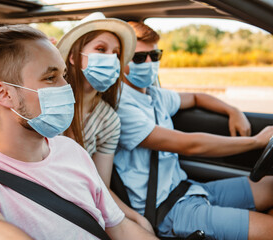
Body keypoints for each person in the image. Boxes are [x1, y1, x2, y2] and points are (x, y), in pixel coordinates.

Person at [0, 22, 158, 240]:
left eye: (64, 76)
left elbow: (119, 227)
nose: (66, 88)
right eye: (50, 78)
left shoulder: (71, 150)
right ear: (4, 94)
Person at [113, 21, 273, 239]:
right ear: (120, 62)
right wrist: (257, 141)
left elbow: (197, 97)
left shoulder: (154, 95)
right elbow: (189, 144)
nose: (149, 63)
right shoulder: (122, 106)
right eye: (140, 58)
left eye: (155, 55)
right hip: (168, 210)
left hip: (188, 189)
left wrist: (233, 110)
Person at [56, 12, 154, 233]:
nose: (110, 58)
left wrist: (133, 217)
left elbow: (100, 185)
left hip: (82, 207)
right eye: (101, 50)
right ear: (73, 56)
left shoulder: (108, 119)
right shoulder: (49, 104)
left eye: (116, 54)